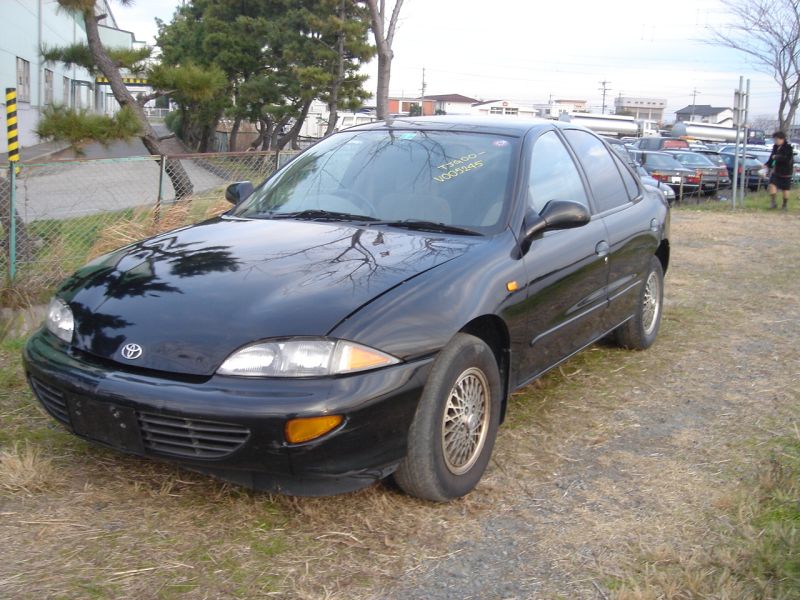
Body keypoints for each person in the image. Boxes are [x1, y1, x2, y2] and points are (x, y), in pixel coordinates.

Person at [766, 131, 794, 210]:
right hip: (776, 171)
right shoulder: (775, 147)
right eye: (775, 139)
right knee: (772, 184)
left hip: (786, 171)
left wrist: (777, 157)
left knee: (785, 189)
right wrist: (767, 164)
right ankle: (773, 202)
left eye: (777, 139)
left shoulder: (788, 147)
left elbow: (787, 159)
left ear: (782, 139)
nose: (776, 141)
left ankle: (785, 204)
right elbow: (772, 157)